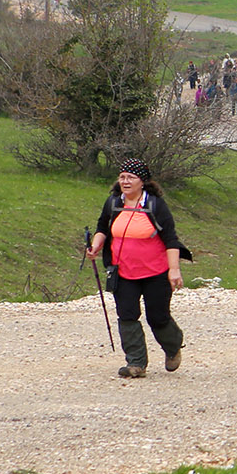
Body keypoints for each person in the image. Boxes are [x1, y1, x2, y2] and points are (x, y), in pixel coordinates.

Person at [88, 160, 189, 379]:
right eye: (122, 177)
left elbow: (171, 239)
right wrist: (96, 245)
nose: (125, 181)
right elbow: (102, 228)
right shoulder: (113, 203)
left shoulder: (155, 205)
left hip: (156, 272)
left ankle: (173, 346)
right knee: (127, 315)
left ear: (142, 181)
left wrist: (174, 270)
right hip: (123, 272)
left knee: (158, 317)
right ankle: (136, 363)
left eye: (130, 177)